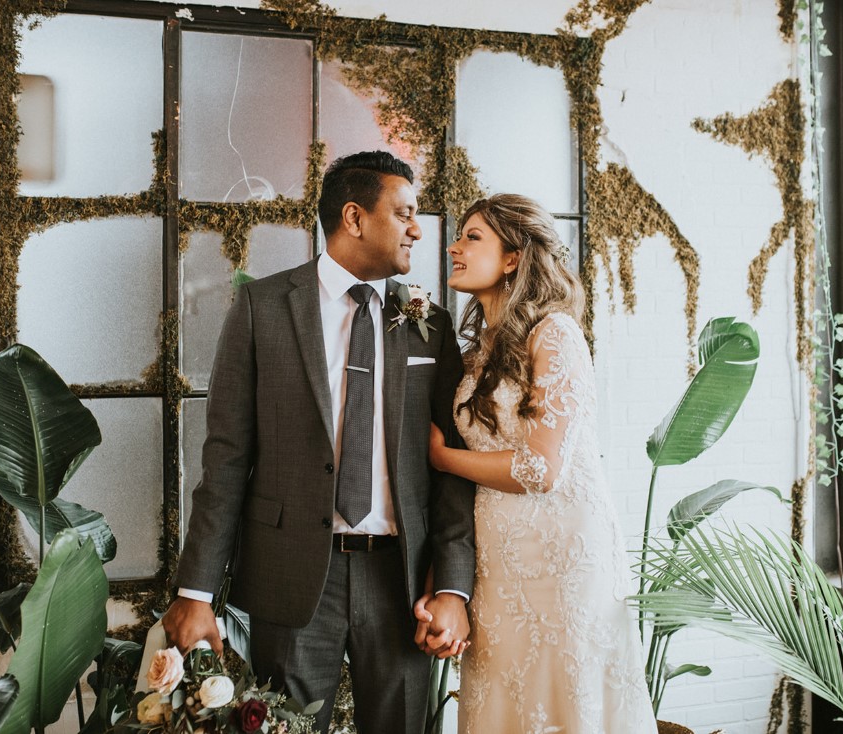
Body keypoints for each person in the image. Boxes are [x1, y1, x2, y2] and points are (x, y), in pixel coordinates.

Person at [162, 150, 476, 734]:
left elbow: (452, 468)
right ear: (354, 218)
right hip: (293, 576)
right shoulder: (263, 308)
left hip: (404, 581)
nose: (417, 229)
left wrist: (454, 587)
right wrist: (195, 591)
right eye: (405, 212)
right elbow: (226, 457)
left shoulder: (429, 323)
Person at [419, 194, 658, 733]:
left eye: (472, 236)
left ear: (512, 257)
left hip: (563, 560)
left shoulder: (555, 335)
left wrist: (441, 457)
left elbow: (540, 469)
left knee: (563, 704)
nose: (454, 247)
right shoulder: (478, 350)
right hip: (499, 562)